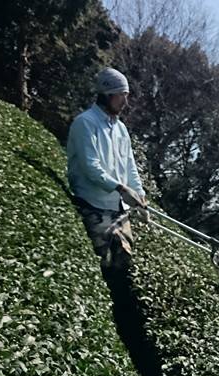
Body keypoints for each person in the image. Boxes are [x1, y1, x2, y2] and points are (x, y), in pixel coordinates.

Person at [66, 67, 148, 271]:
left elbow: (130, 166)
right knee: (100, 262)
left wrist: (140, 197)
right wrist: (121, 188)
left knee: (125, 263)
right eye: (122, 96)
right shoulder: (85, 123)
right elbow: (90, 166)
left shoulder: (121, 129)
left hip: (119, 209)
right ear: (107, 94)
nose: (125, 102)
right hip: (93, 205)